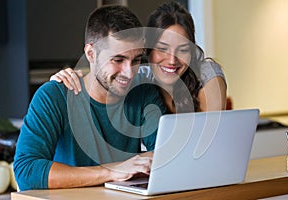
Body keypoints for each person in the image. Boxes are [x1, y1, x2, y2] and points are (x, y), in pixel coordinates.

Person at [13, 5, 166, 191]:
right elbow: (26, 172)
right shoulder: (53, 97)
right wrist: (111, 172)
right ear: (91, 54)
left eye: (136, 60)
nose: (129, 72)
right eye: (118, 60)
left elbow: (165, 154)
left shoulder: (143, 93)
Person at [51, 1, 227, 113]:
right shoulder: (138, 76)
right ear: (148, 51)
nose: (172, 59)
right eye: (163, 49)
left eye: (182, 49)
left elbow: (209, 140)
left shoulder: (205, 75)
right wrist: (62, 81)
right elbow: (100, 79)